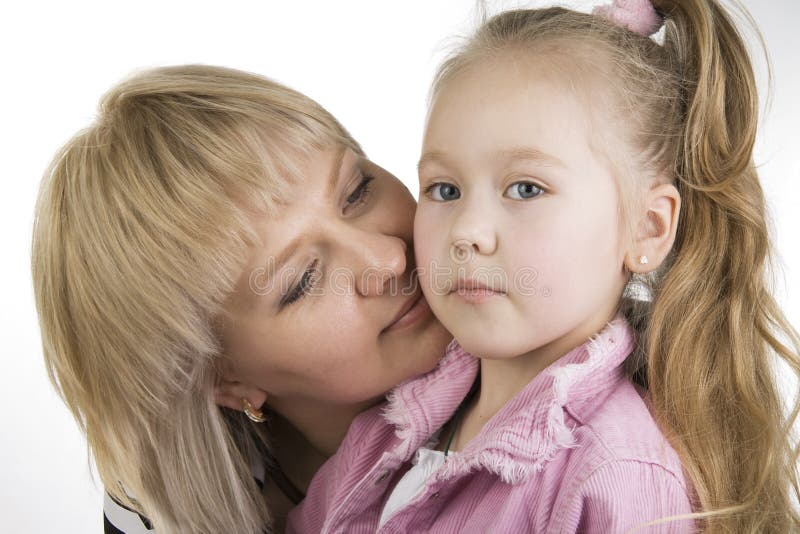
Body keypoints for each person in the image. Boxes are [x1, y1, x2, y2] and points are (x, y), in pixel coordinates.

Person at [288, 0, 800, 532]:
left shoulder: (617, 479)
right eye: (445, 189)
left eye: (526, 188)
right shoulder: (390, 429)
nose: (467, 231)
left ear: (647, 227)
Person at [30, 64, 453, 533]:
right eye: (302, 281)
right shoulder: (150, 517)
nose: (390, 257)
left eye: (357, 192)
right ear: (223, 380)